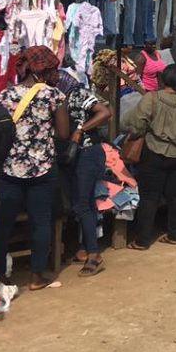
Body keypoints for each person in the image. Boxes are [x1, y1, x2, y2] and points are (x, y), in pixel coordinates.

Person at [0, 46, 70, 291]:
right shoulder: (54, 96)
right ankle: (36, 277)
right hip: (42, 168)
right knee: (40, 221)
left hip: (9, 168)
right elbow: (64, 134)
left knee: (3, 222)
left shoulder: (5, 95)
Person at [125, 64, 176, 249]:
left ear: (163, 79)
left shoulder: (151, 99)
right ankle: (175, 235)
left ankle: (142, 240)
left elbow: (137, 125)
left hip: (154, 154)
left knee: (149, 197)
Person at [61, 72, 113, 277]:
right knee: (85, 203)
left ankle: (94, 255)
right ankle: (85, 248)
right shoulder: (57, 96)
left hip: (87, 153)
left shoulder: (77, 93)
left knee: (82, 204)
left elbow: (104, 113)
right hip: (76, 155)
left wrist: (80, 130)